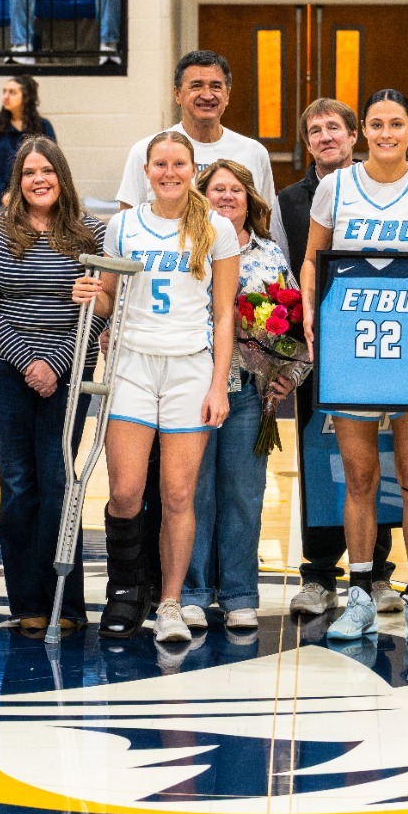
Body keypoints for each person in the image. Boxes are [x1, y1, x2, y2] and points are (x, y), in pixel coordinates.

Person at [299, 90, 408, 645]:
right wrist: (311, 314)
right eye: (376, 124)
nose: (386, 132)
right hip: (352, 346)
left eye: (397, 123)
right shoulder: (335, 186)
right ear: (363, 131)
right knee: (361, 476)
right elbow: (311, 259)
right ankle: (362, 594)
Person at [80, 131, 239, 643]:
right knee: (125, 491)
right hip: (131, 364)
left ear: (194, 169)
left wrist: (219, 385)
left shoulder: (217, 228)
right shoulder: (123, 227)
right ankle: (125, 591)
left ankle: (169, 602)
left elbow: (223, 314)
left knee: (177, 493)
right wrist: (90, 294)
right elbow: (109, 301)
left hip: (189, 369)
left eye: (179, 164)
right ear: (146, 170)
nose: (169, 173)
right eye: (160, 165)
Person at [0, 136, 103, 632]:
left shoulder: (91, 234)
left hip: (69, 371)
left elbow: (100, 312)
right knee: (20, 484)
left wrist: (57, 363)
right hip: (6, 371)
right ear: (17, 182)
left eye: (47, 171)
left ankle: (66, 604)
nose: (38, 179)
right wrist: (29, 362)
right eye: (28, 173)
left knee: (61, 482)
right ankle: (27, 602)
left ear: (62, 177)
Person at [183, 159, 303, 633]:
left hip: (249, 395)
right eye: (217, 190)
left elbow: (295, 323)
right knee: (191, 492)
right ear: (201, 196)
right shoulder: (185, 248)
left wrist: (289, 374)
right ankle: (191, 592)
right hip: (190, 389)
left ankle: (238, 593)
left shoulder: (270, 255)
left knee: (243, 493)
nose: (226, 197)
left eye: (235, 190)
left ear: (249, 199)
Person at [119, 50, 278, 227]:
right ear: (177, 94)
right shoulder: (145, 151)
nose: (207, 95)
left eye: (216, 86)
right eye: (196, 86)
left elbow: (261, 222)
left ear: (227, 94)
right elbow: (126, 226)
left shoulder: (254, 152)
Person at [0, 74, 54, 213]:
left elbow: (52, 164)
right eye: (4, 91)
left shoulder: (43, 126)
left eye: (12, 92)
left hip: (32, 196)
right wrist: (1, 194)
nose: (5, 96)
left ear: (26, 96)